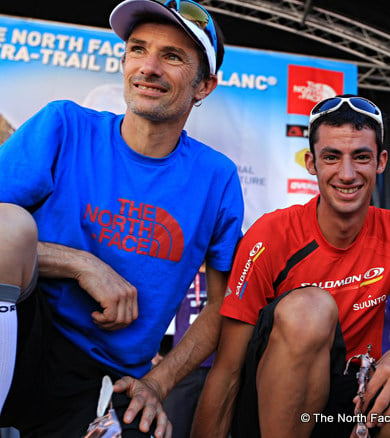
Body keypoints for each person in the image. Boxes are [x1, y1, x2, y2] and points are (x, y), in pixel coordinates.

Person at [0, 0, 244, 437]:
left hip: (107, 378)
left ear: (204, 85)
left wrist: (159, 381)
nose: (148, 67)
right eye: (137, 48)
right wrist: (82, 265)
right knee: (10, 226)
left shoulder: (216, 177)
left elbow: (222, 304)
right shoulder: (63, 126)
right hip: (23, 338)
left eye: (171, 56)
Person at [192, 95, 390, 438]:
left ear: (381, 162)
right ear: (311, 163)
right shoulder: (269, 236)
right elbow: (227, 372)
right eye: (332, 157)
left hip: (352, 399)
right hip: (274, 406)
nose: (347, 174)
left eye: (361, 157)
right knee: (311, 308)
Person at [161, 264, 215, 438]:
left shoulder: (224, 277)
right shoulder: (184, 274)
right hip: (183, 366)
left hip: (217, 366)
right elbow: (160, 312)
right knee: (174, 427)